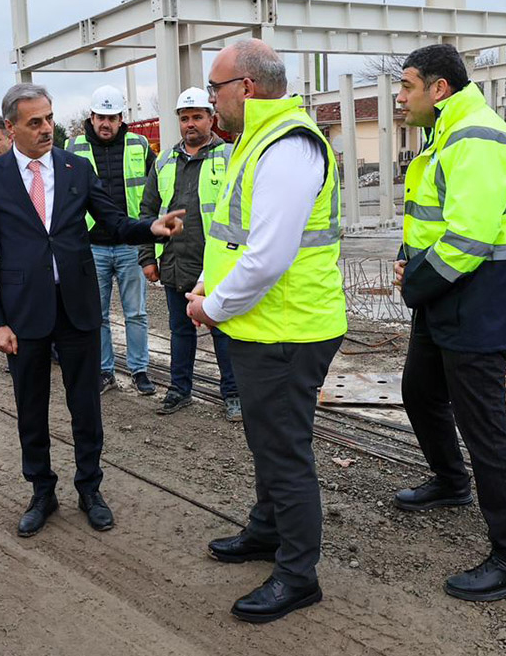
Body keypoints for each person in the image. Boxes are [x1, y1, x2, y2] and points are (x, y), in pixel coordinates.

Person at [0, 83, 185, 538]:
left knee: (85, 405)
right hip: (23, 313)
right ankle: (42, 492)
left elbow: (113, 221)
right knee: (31, 407)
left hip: (77, 306)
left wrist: (151, 226)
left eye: (49, 118)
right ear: (11, 127)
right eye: (35, 122)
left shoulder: (75, 167)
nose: (47, 128)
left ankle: (90, 488)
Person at [187, 39, 346, 623]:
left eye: (215, 89)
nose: (211, 101)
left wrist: (213, 307)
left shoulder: (289, 148)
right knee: (266, 440)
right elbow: (231, 237)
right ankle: (266, 530)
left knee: (284, 451)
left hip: (290, 327)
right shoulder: (255, 143)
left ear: (246, 89)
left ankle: (298, 574)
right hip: (263, 324)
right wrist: (207, 284)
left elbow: (269, 256)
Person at [391, 44, 506, 601]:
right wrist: (413, 256)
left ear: (440, 89)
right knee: (419, 392)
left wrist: (415, 282)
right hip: (447, 297)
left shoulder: (477, 137)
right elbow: (436, 219)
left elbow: (469, 239)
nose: (400, 97)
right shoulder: (448, 134)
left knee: (486, 431)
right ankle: (452, 484)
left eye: (407, 86)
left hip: (476, 302)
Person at [138, 87, 242, 421]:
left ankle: (234, 394)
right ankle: (179, 390)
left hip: (217, 265)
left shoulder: (228, 156)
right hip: (176, 263)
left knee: (222, 331)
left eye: (197, 117)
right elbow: (148, 211)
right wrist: (147, 258)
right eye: (185, 118)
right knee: (180, 331)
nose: (190, 124)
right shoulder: (165, 160)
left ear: (211, 118)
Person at [65, 85, 156, 396]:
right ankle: (105, 371)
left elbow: (153, 192)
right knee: (98, 314)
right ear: (91, 117)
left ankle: (139, 370)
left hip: (130, 245)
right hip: (92, 245)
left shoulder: (140, 145)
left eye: (112, 117)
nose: (106, 123)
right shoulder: (72, 148)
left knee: (136, 313)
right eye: (100, 117)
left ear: (121, 118)